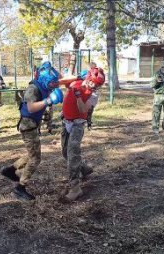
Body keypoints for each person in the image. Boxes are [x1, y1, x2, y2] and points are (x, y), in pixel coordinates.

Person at [0, 63, 63, 200]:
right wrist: (48, 100)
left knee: (32, 154)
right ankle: (20, 188)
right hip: (27, 125)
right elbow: (31, 108)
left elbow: (60, 79)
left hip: (33, 125)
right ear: (46, 81)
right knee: (35, 158)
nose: (54, 86)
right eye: (52, 83)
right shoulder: (33, 89)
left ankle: (11, 170)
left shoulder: (44, 85)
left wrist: (74, 78)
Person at [60, 67, 104, 202]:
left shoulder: (94, 95)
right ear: (88, 78)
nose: (94, 86)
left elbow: (83, 109)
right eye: (92, 82)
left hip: (77, 124)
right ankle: (84, 169)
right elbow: (61, 81)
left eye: (97, 85)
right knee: (65, 152)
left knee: (72, 152)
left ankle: (75, 188)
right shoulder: (77, 82)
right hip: (65, 121)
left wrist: (79, 95)